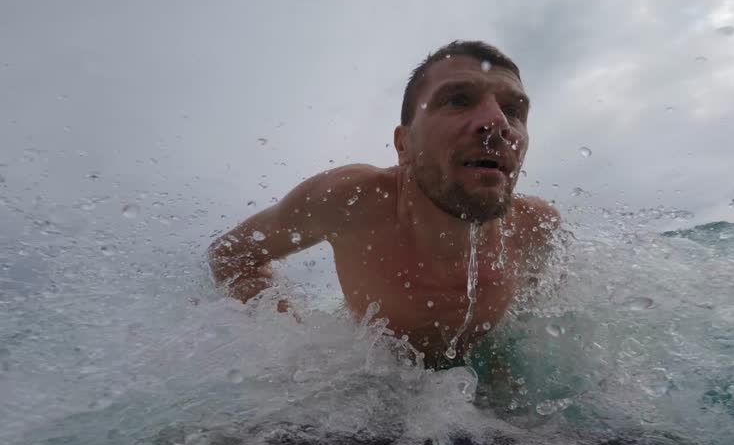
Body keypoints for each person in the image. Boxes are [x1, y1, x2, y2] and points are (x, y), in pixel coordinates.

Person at [208, 40, 560, 368]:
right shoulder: (349, 200)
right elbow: (231, 255)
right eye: (458, 100)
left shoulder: (537, 228)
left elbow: (529, 320)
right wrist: (294, 344)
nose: (498, 123)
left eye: (513, 110)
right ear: (403, 144)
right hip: (369, 383)